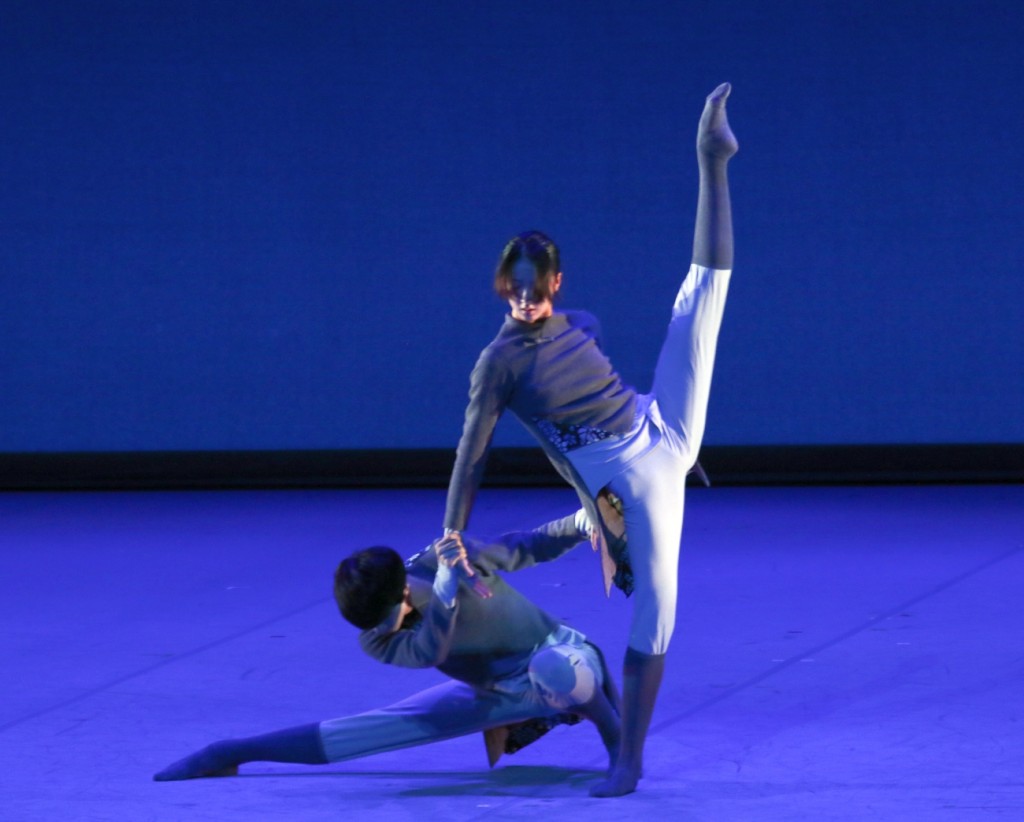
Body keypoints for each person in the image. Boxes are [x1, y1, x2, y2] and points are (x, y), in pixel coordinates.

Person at [442, 83, 737, 796]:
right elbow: (474, 455)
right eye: (513, 292)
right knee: (658, 603)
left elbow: (599, 359)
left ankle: (711, 160)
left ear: (555, 283)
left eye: (535, 292)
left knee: (699, 302)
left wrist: (677, 453)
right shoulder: (499, 365)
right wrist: (453, 531)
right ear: (499, 288)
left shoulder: (576, 322)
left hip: (659, 424)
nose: (524, 303)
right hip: (634, 476)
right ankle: (628, 760)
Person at [153, 512, 620, 784]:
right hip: (498, 692)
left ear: (400, 593)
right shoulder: (378, 637)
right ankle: (229, 751)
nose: (379, 629)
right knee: (374, 728)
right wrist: (444, 592)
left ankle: (615, 736)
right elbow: (431, 651)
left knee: (554, 669)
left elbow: (525, 546)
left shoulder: (446, 558)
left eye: (383, 616)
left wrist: (581, 524)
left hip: (560, 657)